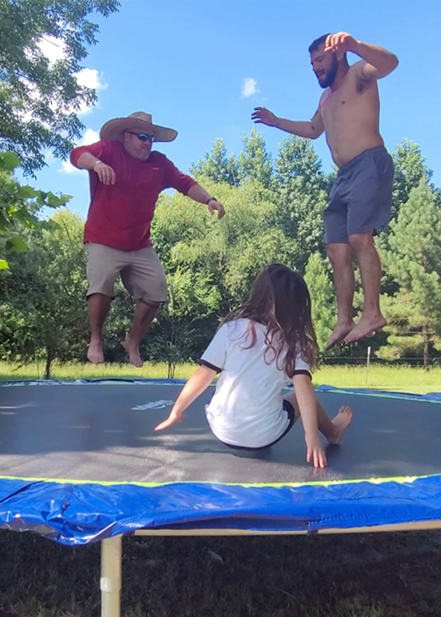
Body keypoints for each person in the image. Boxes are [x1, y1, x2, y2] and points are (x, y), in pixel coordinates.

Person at [251, 32, 398, 350]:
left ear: (337, 55)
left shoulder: (360, 73)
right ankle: (345, 319)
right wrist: (276, 122)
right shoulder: (325, 99)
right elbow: (313, 130)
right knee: (337, 250)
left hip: (369, 163)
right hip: (343, 176)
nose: (315, 67)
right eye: (312, 63)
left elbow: (391, 63)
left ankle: (372, 312)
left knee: (360, 238)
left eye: (320, 60)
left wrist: (355, 45)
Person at [154, 264, 353, 469]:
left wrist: (176, 411)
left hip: (222, 428)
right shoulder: (293, 342)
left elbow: (203, 375)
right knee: (298, 395)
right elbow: (303, 388)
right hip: (264, 435)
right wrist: (311, 437)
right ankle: (333, 432)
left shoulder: (231, 330)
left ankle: (255, 424)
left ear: (258, 294)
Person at [71, 111, 225, 367]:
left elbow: (184, 183)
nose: (147, 143)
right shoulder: (108, 149)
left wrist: (209, 199)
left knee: (156, 290)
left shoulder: (159, 163)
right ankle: (96, 338)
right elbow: (77, 154)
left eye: (151, 139)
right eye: (142, 137)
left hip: (139, 244)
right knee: (102, 282)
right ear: (126, 136)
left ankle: (132, 341)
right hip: (103, 238)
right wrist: (96, 164)